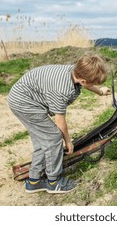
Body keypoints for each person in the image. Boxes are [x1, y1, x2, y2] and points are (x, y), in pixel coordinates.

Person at [8, 53, 111, 193]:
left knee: (42, 142)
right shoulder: (62, 89)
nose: (91, 85)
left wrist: (100, 92)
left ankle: (34, 181)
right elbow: (60, 120)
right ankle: (54, 181)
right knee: (54, 138)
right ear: (83, 81)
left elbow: (86, 83)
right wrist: (68, 141)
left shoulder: (74, 71)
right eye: (93, 83)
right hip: (25, 104)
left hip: (21, 98)